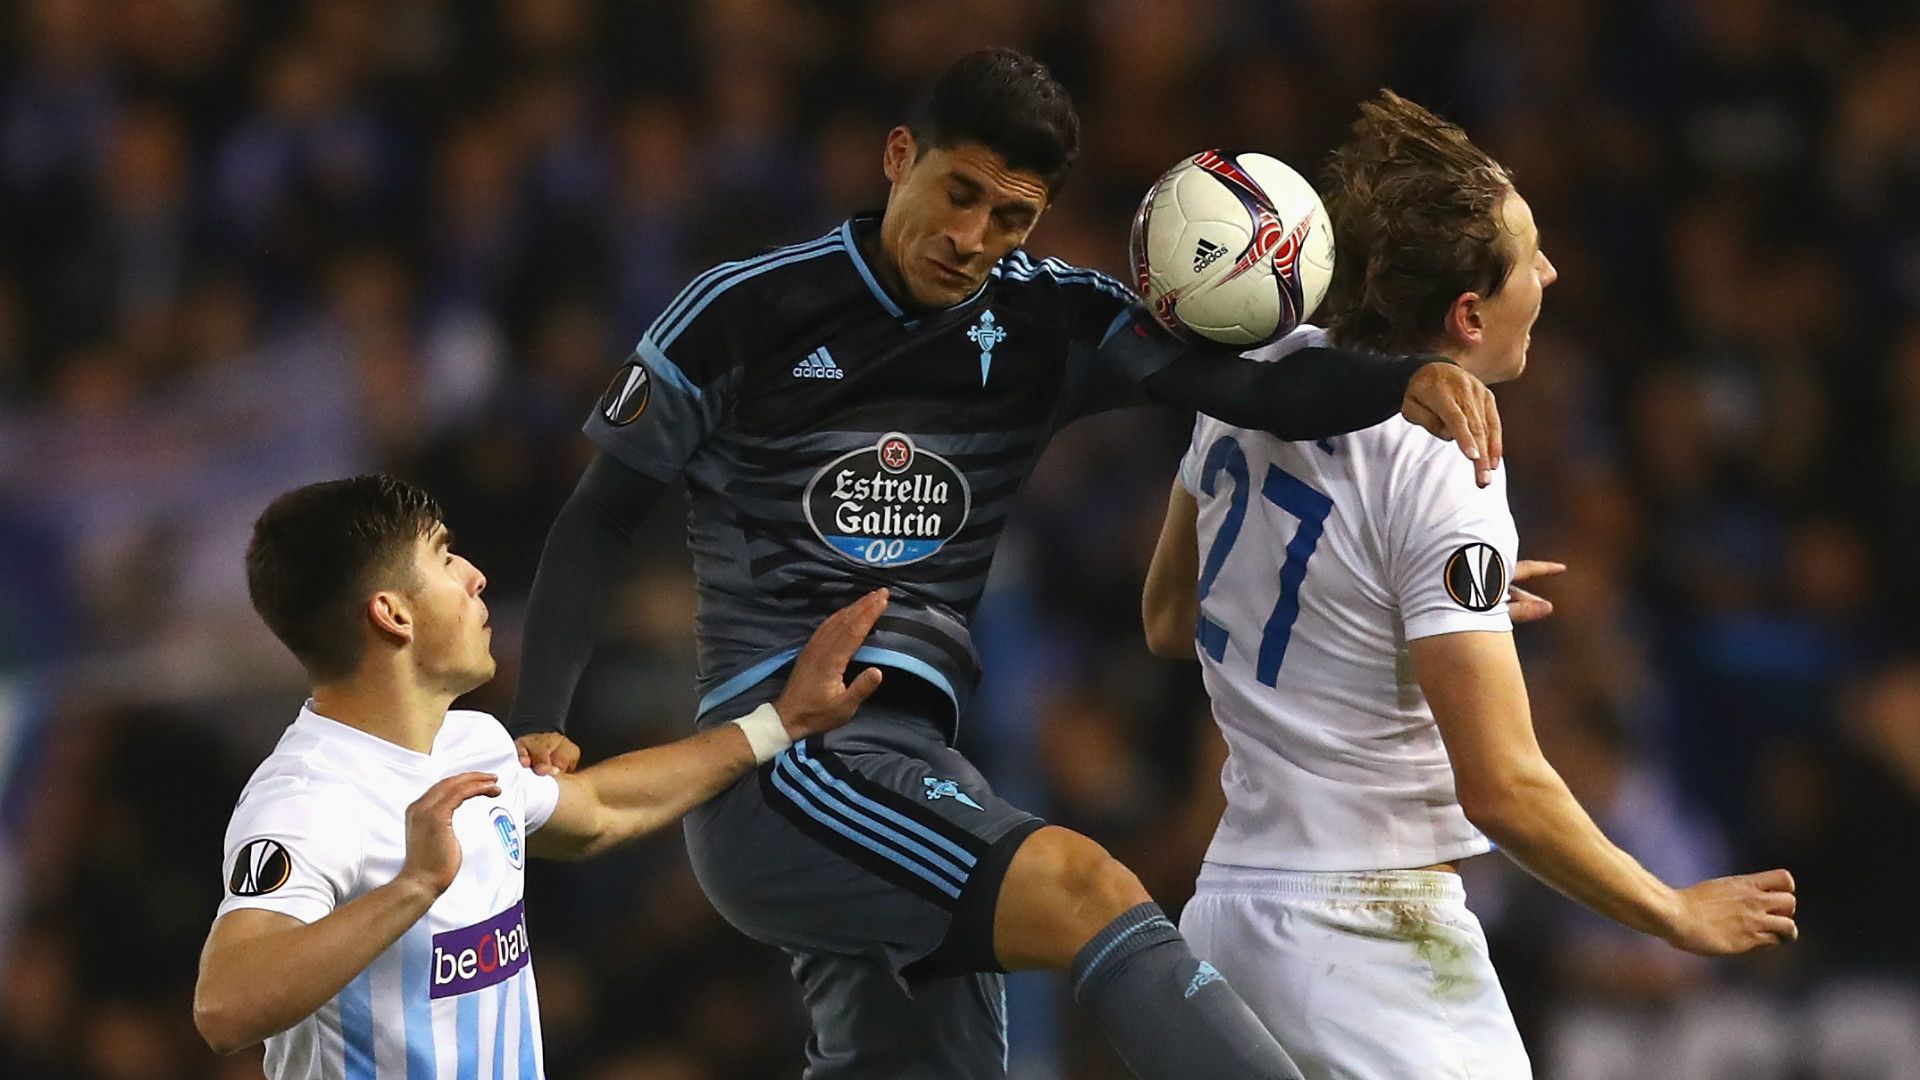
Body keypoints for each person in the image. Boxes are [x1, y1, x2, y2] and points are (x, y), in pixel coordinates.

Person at [506, 49, 1504, 1080]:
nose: (971, 238)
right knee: (1087, 889)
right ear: (901, 157)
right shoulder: (744, 310)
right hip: (787, 767)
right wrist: (542, 715)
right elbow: (596, 521)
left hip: (922, 769)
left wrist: (1405, 380)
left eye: (1011, 218)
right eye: (959, 194)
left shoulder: (1048, 319)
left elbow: (1250, 392)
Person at [1140, 91, 1798, 1079]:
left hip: (1228, 922)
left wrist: (1399, 600)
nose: (1552, 271)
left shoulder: (1259, 374)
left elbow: (1166, 619)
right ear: (1468, 314)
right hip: (1368, 940)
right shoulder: (1446, 463)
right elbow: (1503, 786)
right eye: (1530, 256)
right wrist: (1671, 912)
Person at [192, 474, 889, 1078]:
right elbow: (225, 1007)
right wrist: (412, 887)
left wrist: (782, 722)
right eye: (441, 555)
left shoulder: (473, 744)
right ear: (393, 613)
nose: (474, 575)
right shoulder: (309, 798)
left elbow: (601, 810)